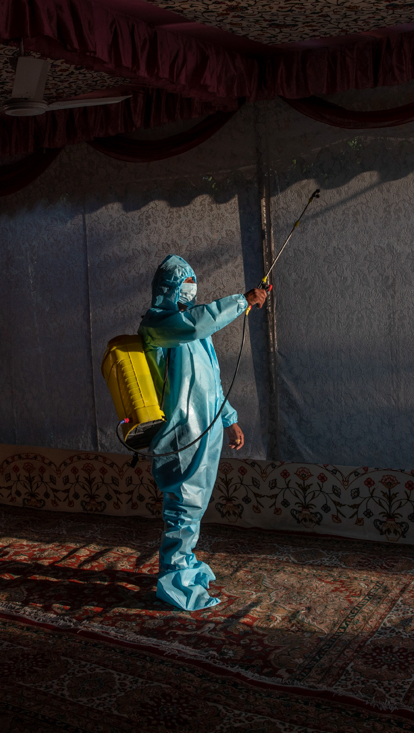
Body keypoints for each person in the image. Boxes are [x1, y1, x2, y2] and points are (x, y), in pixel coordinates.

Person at [138, 255, 268, 611]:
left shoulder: (192, 329)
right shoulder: (159, 326)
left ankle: (186, 564)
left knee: (194, 507)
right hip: (181, 434)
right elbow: (197, 324)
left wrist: (229, 419)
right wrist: (243, 301)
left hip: (205, 429)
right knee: (183, 506)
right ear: (168, 288)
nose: (190, 288)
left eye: (193, 281)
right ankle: (175, 581)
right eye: (185, 282)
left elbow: (210, 379)